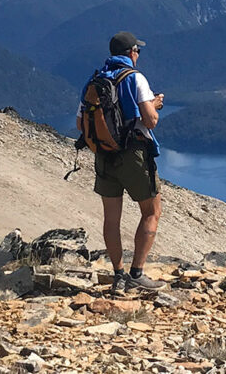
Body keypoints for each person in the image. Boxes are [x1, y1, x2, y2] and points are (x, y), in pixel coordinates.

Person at [86, 31, 166, 291]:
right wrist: (154, 105)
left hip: (104, 154)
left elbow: (80, 122)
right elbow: (150, 120)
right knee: (151, 212)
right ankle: (136, 274)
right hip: (133, 154)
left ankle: (118, 274)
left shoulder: (96, 79)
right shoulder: (135, 78)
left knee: (111, 218)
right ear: (131, 52)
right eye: (137, 51)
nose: (138, 54)